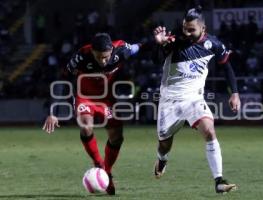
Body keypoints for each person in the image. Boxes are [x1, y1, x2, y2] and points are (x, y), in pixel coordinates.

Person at [152, 6, 240, 193]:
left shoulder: (213, 44)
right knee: (164, 143)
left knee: (209, 131)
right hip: (170, 102)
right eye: (185, 28)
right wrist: (160, 44)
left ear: (203, 29)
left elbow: (226, 67)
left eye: (191, 29)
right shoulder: (174, 41)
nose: (187, 32)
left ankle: (219, 181)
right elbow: (156, 60)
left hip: (194, 99)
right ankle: (162, 159)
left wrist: (234, 92)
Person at [42, 33, 142, 195]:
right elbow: (62, 79)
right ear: (92, 51)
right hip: (85, 96)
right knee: (86, 126)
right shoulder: (81, 56)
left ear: (111, 51)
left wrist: (158, 41)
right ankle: (98, 163)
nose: (103, 61)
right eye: (98, 57)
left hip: (106, 99)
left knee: (117, 135)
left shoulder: (122, 49)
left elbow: (140, 46)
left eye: (106, 57)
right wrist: (53, 111)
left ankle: (107, 172)